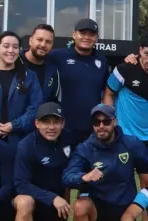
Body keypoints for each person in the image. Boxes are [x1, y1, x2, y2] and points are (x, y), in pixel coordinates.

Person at [13, 102, 74, 221]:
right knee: (25, 201)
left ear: (63, 123)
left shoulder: (70, 140)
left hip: (53, 209)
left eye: (55, 122)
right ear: (37, 124)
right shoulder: (26, 145)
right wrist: (53, 198)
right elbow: (20, 184)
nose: (51, 127)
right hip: (31, 203)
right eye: (46, 122)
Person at [105, 31, 148, 183]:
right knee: (120, 182)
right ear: (140, 51)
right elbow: (108, 94)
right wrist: (111, 122)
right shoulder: (124, 69)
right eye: (147, 53)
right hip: (125, 136)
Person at [47, 18, 110, 150]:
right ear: (74, 34)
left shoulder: (101, 61)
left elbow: (107, 91)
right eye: (83, 33)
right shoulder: (58, 56)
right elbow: (32, 58)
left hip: (92, 130)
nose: (87, 37)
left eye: (91, 34)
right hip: (65, 128)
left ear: (97, 38)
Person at [0, 31, 43, 146]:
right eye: (6, 46)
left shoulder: (29, 76)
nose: (11, 50)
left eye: (15, 47)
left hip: (20, 141)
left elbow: (35, 107)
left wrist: (14, 125)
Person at [22, 24, 61, 101]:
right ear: (30, 41)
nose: (43, 45)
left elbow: (53, 101)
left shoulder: (52, 71)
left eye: (48, 42)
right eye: (39, 39)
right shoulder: (14, 62)